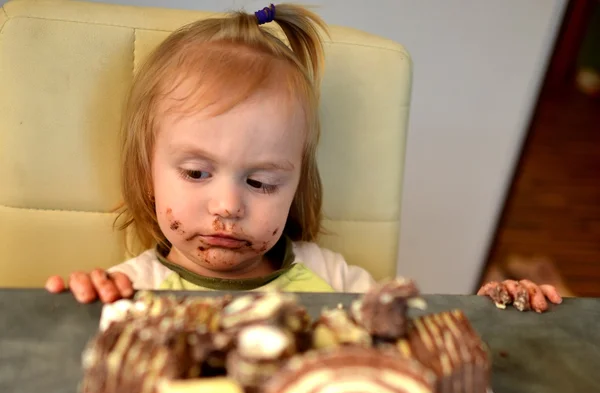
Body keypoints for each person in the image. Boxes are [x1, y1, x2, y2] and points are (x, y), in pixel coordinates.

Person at [44, 3, 564, 312]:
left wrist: (493, 309)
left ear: (296, 187)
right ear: (148, 174)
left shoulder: (333, 280)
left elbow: (416, 337)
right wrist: (85, 306)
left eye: (263, 182)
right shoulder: (130, 291)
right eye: (197, 173)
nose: (227, 206)